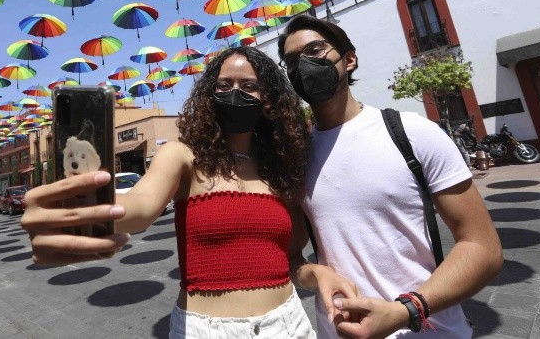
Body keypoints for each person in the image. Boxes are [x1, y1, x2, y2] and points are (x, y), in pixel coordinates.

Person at [21, 46, 358, 338]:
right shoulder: (182, 155)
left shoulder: (280, 169)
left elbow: (291, 260)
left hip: (287, 325)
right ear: (210, 95)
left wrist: (319, 273)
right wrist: (87, 207)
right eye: (224, 85)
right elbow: (141, 206)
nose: (234, 93)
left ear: (268, 100)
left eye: (249, 86)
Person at [276, 15, 503, 338]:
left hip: (427, 330)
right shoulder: (296, 157)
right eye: (292, 61)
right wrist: (316, 274)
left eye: (315, 50)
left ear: (349, 59)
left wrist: (404, 310)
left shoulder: (412, 132)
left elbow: (482, 247)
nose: (304, 65)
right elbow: (291, 260)